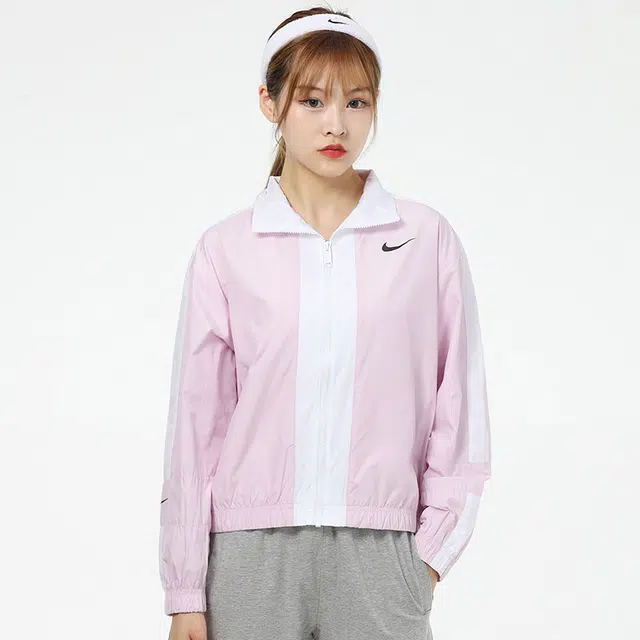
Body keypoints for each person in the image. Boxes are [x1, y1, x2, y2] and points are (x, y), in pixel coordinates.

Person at [159, 6, 492, 640]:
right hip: (249, 558)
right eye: (312, 101)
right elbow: (196, 429)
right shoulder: (226, 249)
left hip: (382, 553)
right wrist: (184, 591)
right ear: (270, 102)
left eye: (357, 102)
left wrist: (427, 557)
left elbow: (460, 406)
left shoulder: (425, 239)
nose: (336, 123)